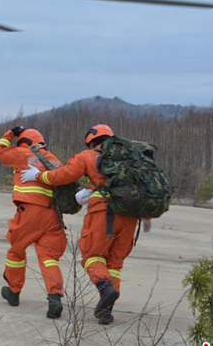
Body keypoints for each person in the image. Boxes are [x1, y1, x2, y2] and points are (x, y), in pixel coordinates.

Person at [22, 124, 150, 325]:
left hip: (103, 211)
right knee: (114, 262)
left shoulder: (88, 156)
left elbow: (62, 176)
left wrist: (38, 176)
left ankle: (105, 288)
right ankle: (106, 310)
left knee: (92, 255)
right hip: (131, 215)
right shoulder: (132, 157)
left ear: (91, 141)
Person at [0, 126, 67, 319]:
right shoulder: (53, 159)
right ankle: (55, 297)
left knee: (16, 250)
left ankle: (14, 291)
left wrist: (9, 133)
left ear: (24, 142)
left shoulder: (22, 153)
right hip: (53, 215)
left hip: (30, 212)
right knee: (49, 257)